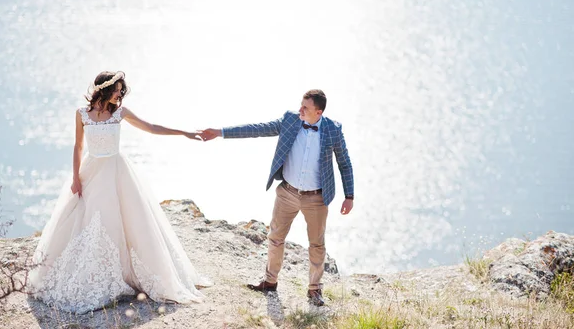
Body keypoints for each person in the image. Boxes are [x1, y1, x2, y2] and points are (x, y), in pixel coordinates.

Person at [29, 71, 211, 314]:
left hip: (117, 171)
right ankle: (98, 276)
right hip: (91, 172)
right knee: (90, 222)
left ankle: (129, 275)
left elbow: (151, 127)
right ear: (103, 90)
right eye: (117, 90)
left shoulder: (120, 113)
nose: (120, 94)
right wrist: (75, 177)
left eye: (122, 90)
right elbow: (78, 145)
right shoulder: (82, 114)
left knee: (129, 221)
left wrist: (184, 133)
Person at [199, 89, 354, 306]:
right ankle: (269, 282)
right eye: (301, 105)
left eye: (306, 108)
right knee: (275, 238)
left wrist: (349, 196)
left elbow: (344, 164)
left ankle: (315, 289)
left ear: (318, 112)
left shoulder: (333, 130)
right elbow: (258, 129)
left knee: (317, 245)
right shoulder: (291, 119)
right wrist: (220, 132)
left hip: (316, 198)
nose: (300, 109)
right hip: (287, 193)